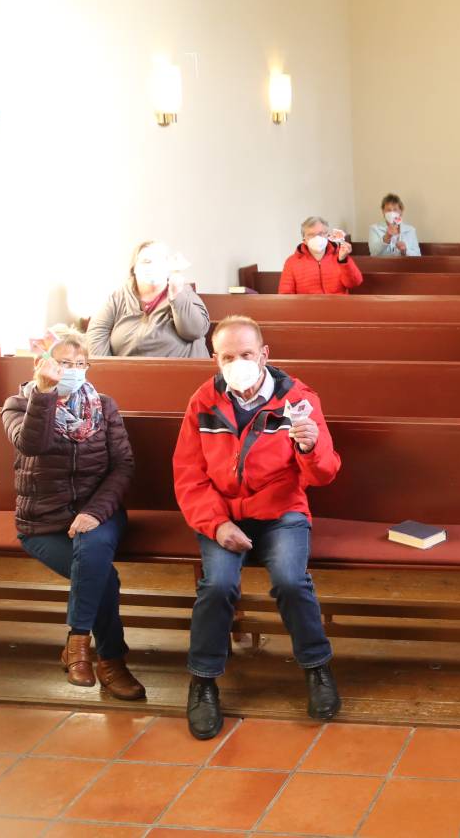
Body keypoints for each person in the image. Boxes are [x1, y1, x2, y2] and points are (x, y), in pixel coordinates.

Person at [173, 316, 342, 739]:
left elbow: (324, 474)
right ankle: (203, 681)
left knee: (289, 579)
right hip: (223, 514)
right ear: (215, 360)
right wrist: (216, 525)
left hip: (281, 511)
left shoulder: (297, 399)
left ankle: (317, 669)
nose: (238, 363)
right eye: (228, 357)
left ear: (264, 355)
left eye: (246, 355)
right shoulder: (203, 402)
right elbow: (188, 474)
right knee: (218, 586)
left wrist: (310, 445)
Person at [2, 327, 145, 701]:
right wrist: (44, 395)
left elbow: (123, 467)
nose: (74, 370)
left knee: (92, 545)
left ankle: (78, 641)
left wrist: (96, 512)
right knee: (103, 577)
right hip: (43, 523)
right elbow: (32, 443)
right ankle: (112, 661)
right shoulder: (18, 406)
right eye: (65, 363)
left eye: (81, 363)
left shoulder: (104, 406)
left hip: (101, 514)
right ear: (42, 365)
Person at [86, 241, 210, 358]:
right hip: (129, 376)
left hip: (183, 375)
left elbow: (195, 331)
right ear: (134, 268)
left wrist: (177, 295)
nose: (152, 266)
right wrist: (108, 370)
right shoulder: (118, 297)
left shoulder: (183, 291)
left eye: (159, 261)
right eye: (146, 261)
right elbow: (97, 332)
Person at [279, 216, 363, 294]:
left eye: (321, 234)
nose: (317, 238)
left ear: (328, 236)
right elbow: (285, 294)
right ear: (304, 240)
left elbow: (354, 283)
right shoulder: (292, 262)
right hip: (307, 308)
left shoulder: (339, 256)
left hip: (338, 306)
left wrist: (343, 261)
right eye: (311, 235)